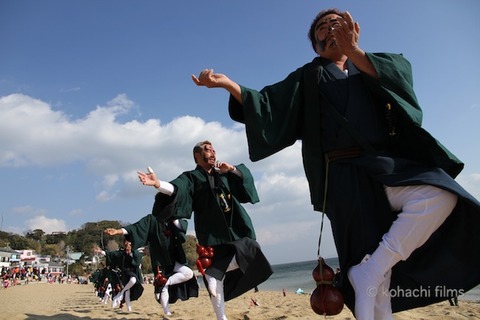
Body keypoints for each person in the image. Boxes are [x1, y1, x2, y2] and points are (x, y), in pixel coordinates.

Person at [192, 8, 480, 320]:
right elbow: (267, 104)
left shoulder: (377, 64)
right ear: (316, 44)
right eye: (322, 28)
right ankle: (369, 276)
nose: (330, 29)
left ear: (353, 29)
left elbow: (404, 97)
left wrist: (355, 52)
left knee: (440, 194)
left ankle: (369, 269)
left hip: (386, 167)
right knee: (374, 280)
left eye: (336, 23)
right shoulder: (309, 77)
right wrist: (229, 85)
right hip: (343, 177)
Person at [137, 140, 273, 320]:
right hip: (211, 236)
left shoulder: (223, 174)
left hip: (234, 232)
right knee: (214, 284)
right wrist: (158, 184)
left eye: (213, 150)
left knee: (251, 248)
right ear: (197, 156)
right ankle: (221, 317)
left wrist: (231, 169)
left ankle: (218, 271)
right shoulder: (192, 177)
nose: (213, 153)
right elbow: (178, 188)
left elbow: (245, 179)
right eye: (207, 150)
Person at [104, 216, 198, 317]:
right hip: (161, 262)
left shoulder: (173, 218)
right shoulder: (152, 219)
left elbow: (182, 227)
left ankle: (167, 282)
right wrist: (118, 231)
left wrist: (173, 219)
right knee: (162, 288)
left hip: (175, 259)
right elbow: (136, 228)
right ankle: (167, 311)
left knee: (188, 273)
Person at [95, 236, 144, 312]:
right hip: (124, 273)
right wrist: (101, 252)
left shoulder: (135, 252)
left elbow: (137, 262)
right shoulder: (121, 253)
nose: (127, 245)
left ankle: (121, 293)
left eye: (129, 244)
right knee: (127, 291)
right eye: (126, 244)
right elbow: (112, 254)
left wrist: (131, 255)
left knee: (133, 281)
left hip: (132, 272)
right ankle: (129, 307)